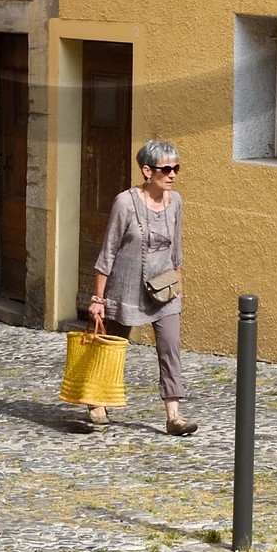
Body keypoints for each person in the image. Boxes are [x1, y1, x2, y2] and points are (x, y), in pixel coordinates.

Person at [86, 139, 197, 435]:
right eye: (166, 169)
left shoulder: (176, 202)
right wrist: (99, 298)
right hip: (125, 288)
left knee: (170, 346)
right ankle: (97, 400)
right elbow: (108, 251)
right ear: (147, 171)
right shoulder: (125, 203)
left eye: (176, 168)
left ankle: (174, 416)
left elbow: (176, 249)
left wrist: (178, 283)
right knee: (112, 347)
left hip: (164, 289)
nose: (172, 175)